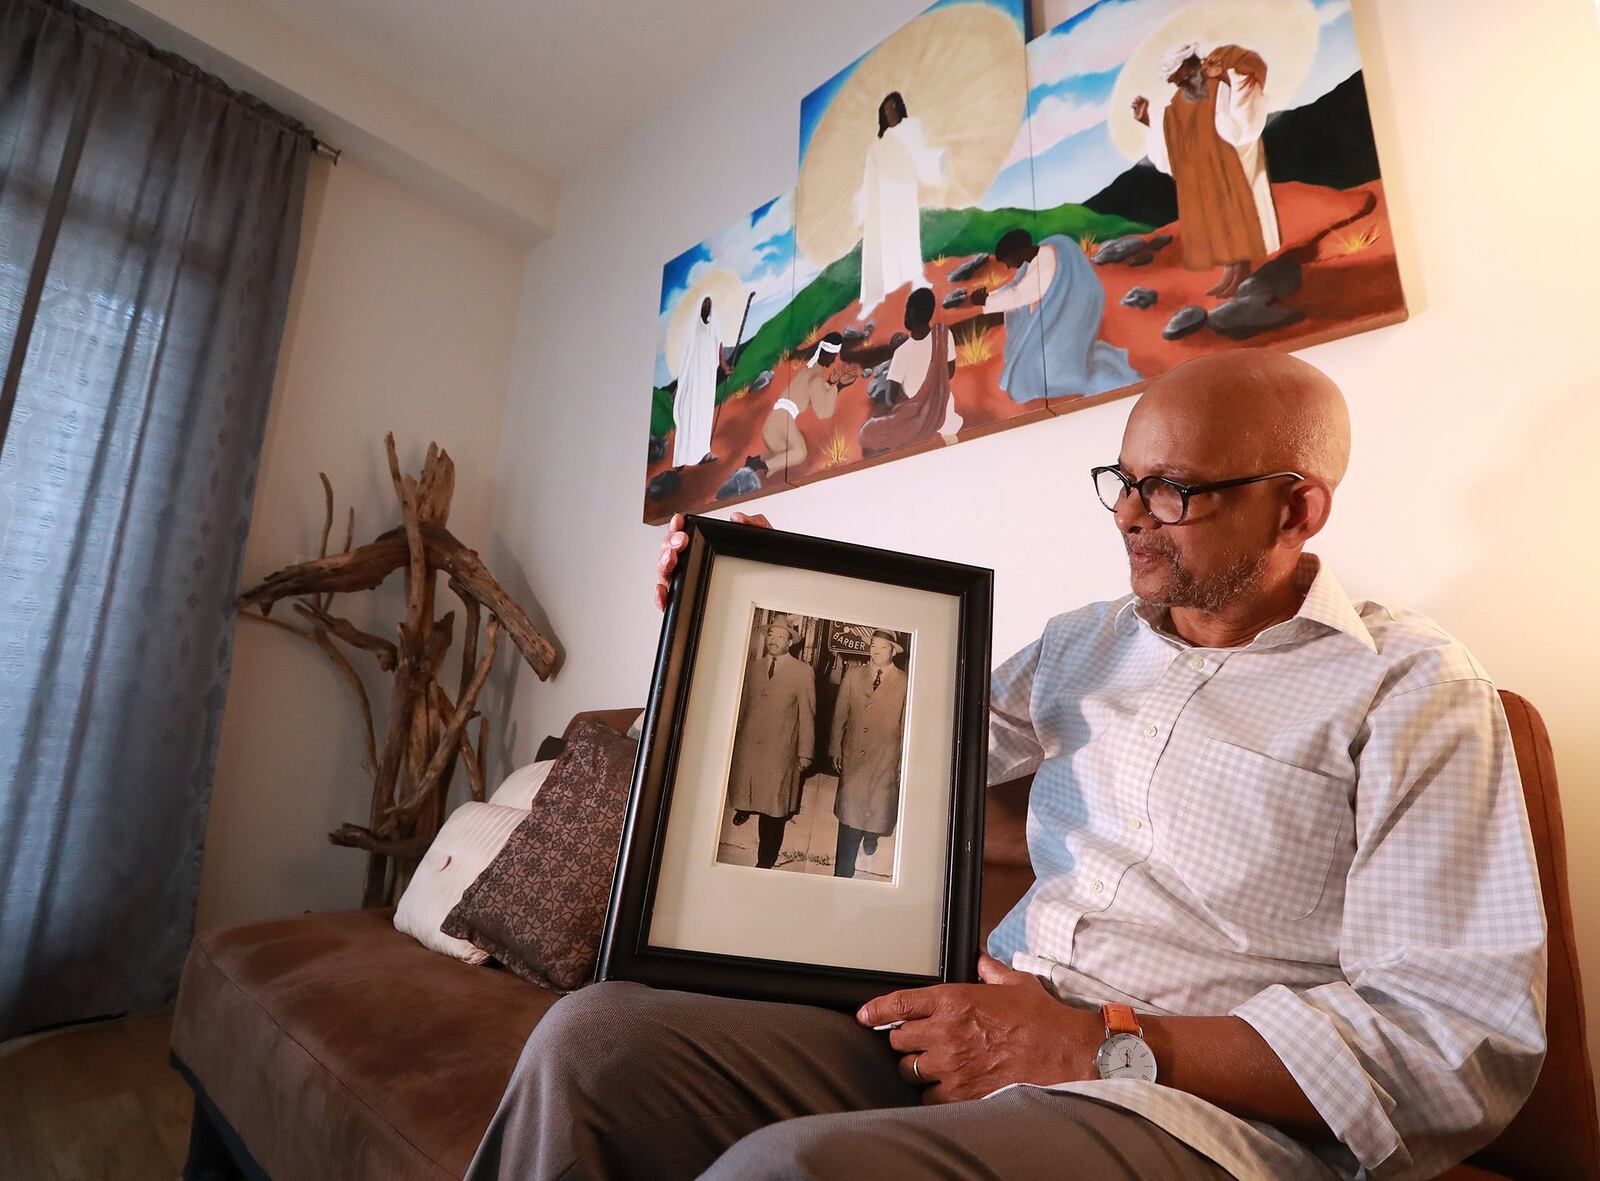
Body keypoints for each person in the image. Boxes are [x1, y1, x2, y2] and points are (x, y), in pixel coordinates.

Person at [472, 351, 1546, 1181]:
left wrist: (1100, 1043)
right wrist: (746, 605)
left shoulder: (1411, 689)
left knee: (787, 1171)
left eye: (1173, 492)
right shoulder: (1086, 642)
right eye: (1121, 481)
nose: (1129, 515)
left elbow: (1452, 1041)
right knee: (593, 1041)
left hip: (1181, 1108)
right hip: (978, 1019)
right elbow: (885, 746)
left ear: (1296, 507)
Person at [1134, 43, 1280, 298]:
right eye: (1173, 80)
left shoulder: (1218, 74)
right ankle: (1230, 273)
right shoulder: (1179, 101)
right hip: (1201, 171)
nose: (1175, 83)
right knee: (1215, 221)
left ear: (1188, 66)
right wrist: (1148, 121)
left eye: (1177, 77)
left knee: (1234, 214)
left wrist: (1224, 75)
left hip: (1226, 162)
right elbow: (1170, 132)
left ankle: (1242, 272)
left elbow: (1247, 90)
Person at [972, 228, 1141, 401]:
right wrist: (988, 297)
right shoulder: (1035, 261)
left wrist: (985, 302)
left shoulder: (1046, 261)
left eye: (1008, 260)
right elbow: (1016, 287)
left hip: (1066, 319)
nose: (1009, 266)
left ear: (1019, 250)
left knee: (1042, 370)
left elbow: (1020, 295)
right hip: (1055, 319)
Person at [725, 617, 816, 869]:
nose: (773, 640)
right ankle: (744, 807)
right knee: (746, 788)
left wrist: (805, 752)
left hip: (780, 752)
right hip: (749, 747)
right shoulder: (752, 668)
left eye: (780, 636)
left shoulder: (802, 672)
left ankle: (765, 861)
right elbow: (740, 707)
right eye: (770, 635)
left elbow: (808, 715)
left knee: (773, 809)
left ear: (790, 642)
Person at [829, 630, 908, 878]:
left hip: (885, 758)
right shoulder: (853, 676)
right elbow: (840, 715)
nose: (875, 650)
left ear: (893, 651)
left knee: (877, 808)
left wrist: (902, 762)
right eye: (873, 645)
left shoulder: (905, 682)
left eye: (882, 647)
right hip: (854, 755)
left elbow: (906, 725)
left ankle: (872, 835)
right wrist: (835, 748)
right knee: (851, 813)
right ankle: (843, 872)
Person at [856, 91, 943, 316]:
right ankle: (887, 288)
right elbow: (870, 173)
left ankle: (916, 278)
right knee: (886, 241)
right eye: (885, 109)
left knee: (908, 234)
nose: (889, 111)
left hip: (904, 190)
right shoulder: (878, 143)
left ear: (899, 107)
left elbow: (921, 155)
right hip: (884, 197)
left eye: (893, 107)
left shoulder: (911, 128)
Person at [859, 287, 959, 458]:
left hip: (914, 418)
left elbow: (891, 398)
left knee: (866, 433)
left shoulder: (902, 352)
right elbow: (949, 372)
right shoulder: (943, 333)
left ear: (910, 314)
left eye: (907, 310)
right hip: (944, 405)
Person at [760, 333, 850, 472]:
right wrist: (839, 387)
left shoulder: (811, 371)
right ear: (825, 353)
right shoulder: (816, 376)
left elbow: (812, 396)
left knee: (783, 454)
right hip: (782, 422)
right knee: (799, 454)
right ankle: (758, 466)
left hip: (775, 421)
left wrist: (830, 382)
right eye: (833, 356)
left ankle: (756, 462)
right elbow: (823, 412)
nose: (833, 361)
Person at [671, 295, 731, 468]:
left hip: (706, 378)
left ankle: (703, 452)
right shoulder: (693, 328)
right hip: (692, 379)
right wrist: (679, 388)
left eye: (709, 303)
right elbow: (686, 360)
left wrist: (724, 366)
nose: (706, 305)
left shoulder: (713, 327)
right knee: (688, 416)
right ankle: (681, 459)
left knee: (703, 414)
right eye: (704, 303)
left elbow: (719, 346)